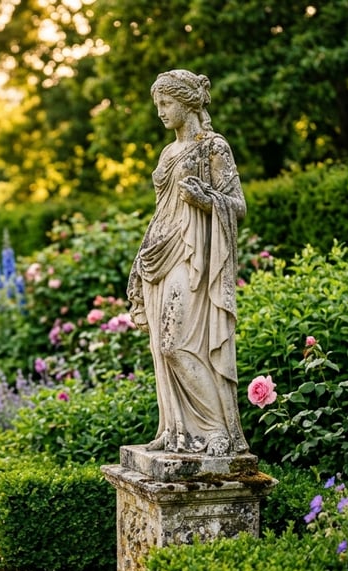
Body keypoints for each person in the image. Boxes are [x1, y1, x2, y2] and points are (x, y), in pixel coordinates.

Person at [126, 70, 249, 456]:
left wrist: (207, 200)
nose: (160, 112)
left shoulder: (213, 146)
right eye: (157, 105)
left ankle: (216, 430)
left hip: (192, 253)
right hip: (159, 255)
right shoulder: (168, 153)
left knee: (175, 344)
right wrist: (139, 259)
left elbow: (238, 206)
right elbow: (161, 211)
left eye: (166, 104)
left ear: (187, 103)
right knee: (160, 351)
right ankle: (177, 430)